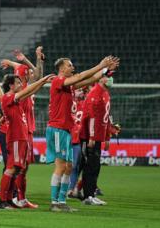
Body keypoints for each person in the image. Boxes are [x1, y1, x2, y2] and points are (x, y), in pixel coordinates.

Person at [46, 56, 119, 212]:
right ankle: (54, 203)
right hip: (57, 129)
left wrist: (106, 70)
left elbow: (91, 78)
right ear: (61, 69)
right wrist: (100, 64)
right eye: (69, 65)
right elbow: (80, 76)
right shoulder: (57, 81)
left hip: (66, 130)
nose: (72, 67)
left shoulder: (70, 86)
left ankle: (62, 200)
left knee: (69, 166)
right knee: (61, 166)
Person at [0, 73, 55, 209]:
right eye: (18, 83)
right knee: (11, 169)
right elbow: (28, 90)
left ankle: (10, 199)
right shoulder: (8, 97)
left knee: (17, 169)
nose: (20, 85)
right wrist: (43, 79)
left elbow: (31, 91)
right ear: (11, 85)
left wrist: (43, 83)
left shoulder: (16, 99)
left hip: (21, 137)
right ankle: (2, 200)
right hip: (16, 137)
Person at [0, 47, 45, 208]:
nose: (31, 74)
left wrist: (35, 59)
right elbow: (38, 77)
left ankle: (17, 198)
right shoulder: (19, 92)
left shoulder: (24, 89)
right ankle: (9, 198)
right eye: (28, 73)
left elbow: (37, 75)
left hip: (26, 131)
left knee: (21, 167)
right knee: (15, 167)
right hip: (19, 133)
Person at [80, 76, 114, 206]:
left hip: (98, 136)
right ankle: (87, 196)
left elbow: (105, 118)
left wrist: (107, 137)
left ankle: (91, 194)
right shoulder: (95, 93)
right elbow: (92, 117)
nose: (111, 79)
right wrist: (92, 137)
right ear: (101, 79)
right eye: (108, 77)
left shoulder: (104, 93)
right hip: (89, 137)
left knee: (95, 166)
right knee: (89, 166)